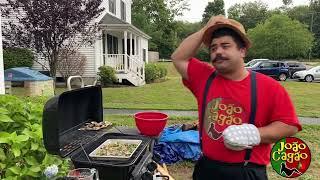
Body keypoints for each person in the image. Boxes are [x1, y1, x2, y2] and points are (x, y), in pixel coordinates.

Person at [171, 15, 302, 180]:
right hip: (207, 168)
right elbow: (178, 57)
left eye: (225, 46)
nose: (218, 51)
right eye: (213, 48)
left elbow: (289, 126)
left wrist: (254, 134)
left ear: (242, 50)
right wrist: (205, 29)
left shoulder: (269, 86)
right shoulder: (204, 77)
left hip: (246, 172)